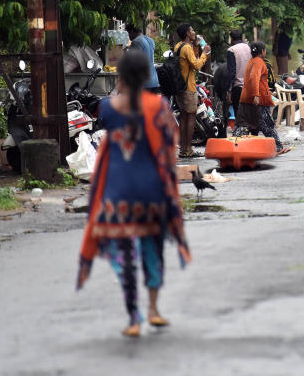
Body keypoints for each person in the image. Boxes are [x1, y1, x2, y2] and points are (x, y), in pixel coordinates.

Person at [76, 49, 190, 338]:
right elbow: (167, 151)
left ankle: (134, 318)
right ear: (146, 76)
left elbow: (108, 150)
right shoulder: (160, 106)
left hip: (119, 195)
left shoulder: (108, 108)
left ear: (122, 77)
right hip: (152, 193)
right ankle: (153, 309)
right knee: (153, 251)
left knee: (126, 257)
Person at [233, 42, 286, 154]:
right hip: (258, 100)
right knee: (267, 124)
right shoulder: (259, 62)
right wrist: (256, 95)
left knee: (245, 124)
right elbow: (254, 77)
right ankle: (277, 146)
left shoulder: (251, 61)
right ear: (262, 51)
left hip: (246, 98)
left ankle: (237, 146)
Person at [173, 24, 210, 158]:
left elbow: (190, 61)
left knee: (183, 117)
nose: (194, 32)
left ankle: (184, 149)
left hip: (180, 87)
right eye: (192, 30)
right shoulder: (187, 48)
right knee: (191, 117)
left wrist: (196, 46)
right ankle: (188, 150)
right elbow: (197, 65)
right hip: (189, 88)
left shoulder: (179, 46)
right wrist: (204, 54)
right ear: (188, 33)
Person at [126, 24, 159, 94]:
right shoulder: (151, 40)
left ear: (132, 31)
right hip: (154, 81)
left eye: (128, 33)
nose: (129, 36)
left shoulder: (136, 42)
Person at [225, 30, 251, 119]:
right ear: (242, 37)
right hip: (251, 87)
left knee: (239, 114)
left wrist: (229, 90)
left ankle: (241, 132)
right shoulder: (249, 48)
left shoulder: (231, 50)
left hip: (238, 87)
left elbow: (231, 72)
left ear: (231, 39)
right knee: (248, 114)